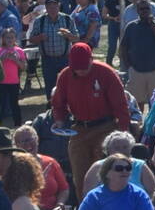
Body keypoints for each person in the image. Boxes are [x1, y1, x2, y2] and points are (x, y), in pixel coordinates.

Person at [48, 42, 130, 190]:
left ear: (91, 60)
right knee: (81, 177)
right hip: (79, 129)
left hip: (105, 128)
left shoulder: (106, 73)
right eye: (77, 69)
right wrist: (59, 120)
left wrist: (124, 132)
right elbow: (58, 103)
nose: (81, 72)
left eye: (84, 68)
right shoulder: (65, 76)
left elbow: (120, 106)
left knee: (105, 174)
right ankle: (84, 209)